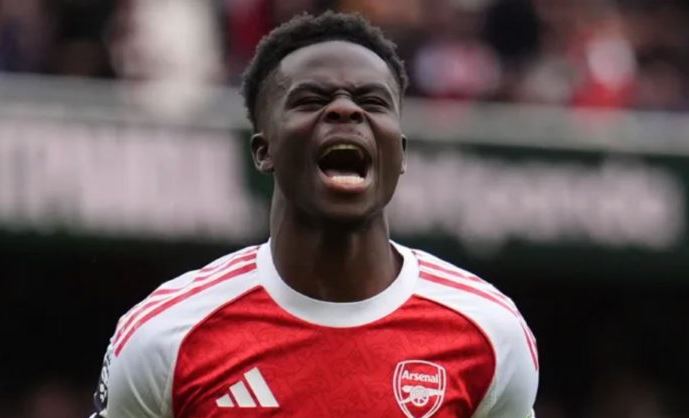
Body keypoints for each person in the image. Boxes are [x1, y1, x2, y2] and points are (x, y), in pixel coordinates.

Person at [91, 11, 538, 418]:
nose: (345, 109)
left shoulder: (489, 332)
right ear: (263, 151)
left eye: (372, 101)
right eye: (310, 99)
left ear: (400, 153)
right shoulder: (167, 337)